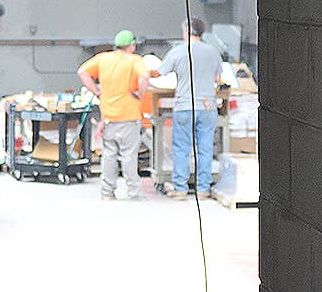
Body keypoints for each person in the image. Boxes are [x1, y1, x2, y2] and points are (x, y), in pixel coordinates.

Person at [150, 18, 222, 199]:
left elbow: (160, 73)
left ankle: (181, 187)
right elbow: (218, 80)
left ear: (186, 32)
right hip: (207, 106)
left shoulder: (178, 51)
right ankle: (203, 189)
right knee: (205, 148)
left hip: (185, 106)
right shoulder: (213, 52)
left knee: (182, 148)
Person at [78, 30, 150, 200]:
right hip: (129, 116)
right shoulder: (135, 60)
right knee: (129, 156)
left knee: (109, 156)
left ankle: (107, 192)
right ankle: (134, 193)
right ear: (131, 45)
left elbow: (82, 72)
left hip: (108, 116)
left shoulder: (103, 58)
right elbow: (145, 76)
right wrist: (140, 93)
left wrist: (97, 92)